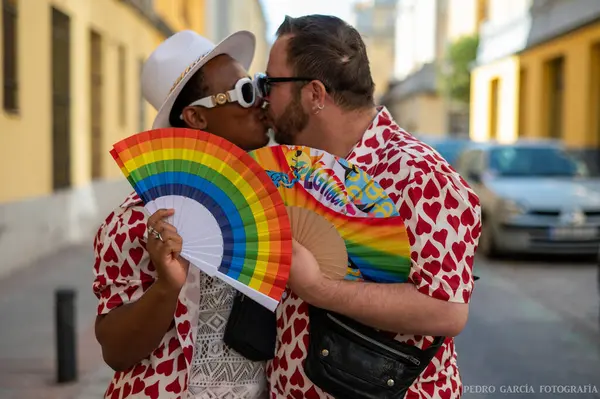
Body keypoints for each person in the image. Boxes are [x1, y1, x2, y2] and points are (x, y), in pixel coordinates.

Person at [257, 15, 481, 399]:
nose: (263, 98)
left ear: (314, 94)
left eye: (270, 83)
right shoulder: (295, 168)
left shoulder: (420, 175)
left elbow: (447, 309)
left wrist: (319, 289)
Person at [93, 30, 270, 399]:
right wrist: (166, 287)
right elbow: (116, 351)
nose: (261, 103)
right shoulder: (137, 220)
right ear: (196, 117)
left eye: (258, 86)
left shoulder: (275, 201)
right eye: (245, 93)